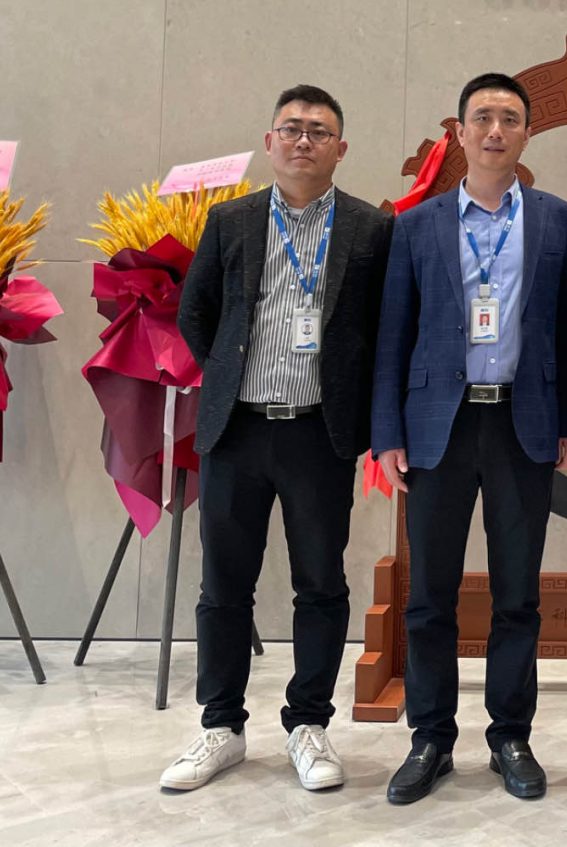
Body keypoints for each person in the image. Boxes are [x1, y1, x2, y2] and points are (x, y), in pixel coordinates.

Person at [162, 85, 394, 793]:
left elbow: (379, 330)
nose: (303, 141)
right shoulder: (230, 220)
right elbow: (196, 313)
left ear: (340, 149)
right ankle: (221, 726)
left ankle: (308, 724)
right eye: (291, 129)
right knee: (223, 586)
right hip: (237, 429)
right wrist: (228, 378)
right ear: (269, 141)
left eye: (319, 131)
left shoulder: (369, 227)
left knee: (320, 583)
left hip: (319, 433)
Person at [371, 73, 567, 805]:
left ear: (526, 134)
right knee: (430, 594)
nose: (495, 130)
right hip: (439, 426)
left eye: (509, 119)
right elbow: (392, 336)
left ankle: (510, 735)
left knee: (518, 593)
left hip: (524, 421)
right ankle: (430, 737)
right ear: (459, 132)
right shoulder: (417, 225)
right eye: (482, 118)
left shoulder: (560, 221)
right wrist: (387, 432)